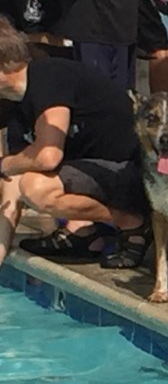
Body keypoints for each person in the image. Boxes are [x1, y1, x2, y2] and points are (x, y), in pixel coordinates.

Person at [0, 16, 149, 269]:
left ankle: (132, 223)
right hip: (97, 175)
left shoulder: (47, 76)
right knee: (27, 181)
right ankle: (86, 232)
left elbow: (49, 155)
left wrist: (4, 164)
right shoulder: (13, 104)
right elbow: (11, 188)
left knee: (36, 187)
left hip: (136, 173)